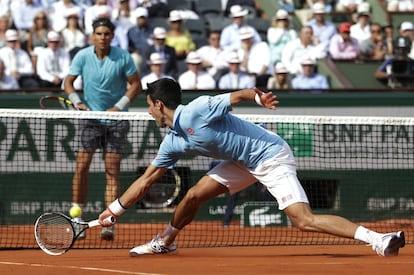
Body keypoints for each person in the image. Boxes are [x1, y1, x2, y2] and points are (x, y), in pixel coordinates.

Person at [98, 77, 406, 257]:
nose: (148, 110)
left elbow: (241, 94)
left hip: (270, 155)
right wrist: (114, 210)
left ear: (158, 105)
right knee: (192, 196)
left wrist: (260, 99)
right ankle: (165, 242)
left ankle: (378, 240)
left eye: (148, 104)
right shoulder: (172, 143)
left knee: (303, 220)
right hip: (240, 162)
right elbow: (147, 180)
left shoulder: (197, 109)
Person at [64, 16, 142, 241]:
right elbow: (68, 82)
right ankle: (77, 219)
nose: (103, 37)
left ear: (112, 36)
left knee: (112, 171)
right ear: (92, 36)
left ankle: (108, 222)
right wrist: (76, 101)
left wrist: (119, 107)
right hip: (90, 119)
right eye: (99, 34)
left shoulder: (123, 56)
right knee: (81, 167)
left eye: (107, 34)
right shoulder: (82, 56)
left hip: (116, 120)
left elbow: (135, 85)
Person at [127, 7, 153, 74]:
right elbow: (128, 46)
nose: (141, 20)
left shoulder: (152, 30)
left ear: (146, 18)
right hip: (138, 54)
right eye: (140, 18)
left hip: (150, 54)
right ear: (136, 19)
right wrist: (133, 50)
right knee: (134, 58)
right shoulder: (131, 31)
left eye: (143, 18)